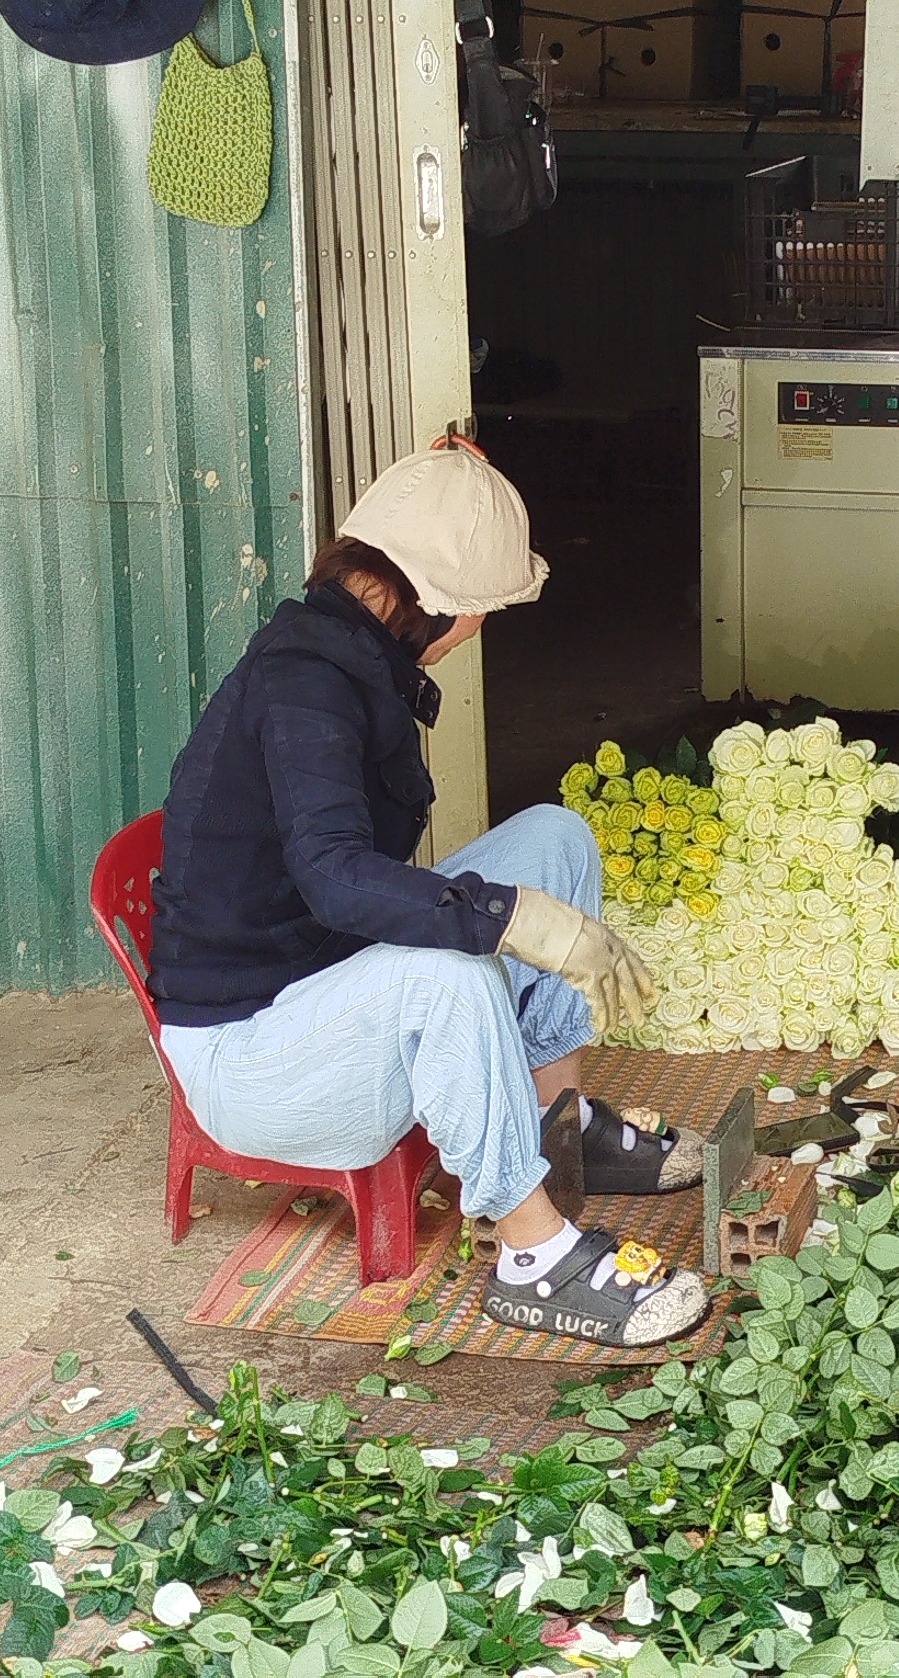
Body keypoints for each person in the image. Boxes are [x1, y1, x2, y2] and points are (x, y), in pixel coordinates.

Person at [149, 445, 708, 1348]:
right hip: (249, 1055)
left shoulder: (345, 655)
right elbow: (336, 876)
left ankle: (555, 1126)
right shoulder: (305, 684)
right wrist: (513, 920)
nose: (481, 625)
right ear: (440, 604)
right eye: (481, 607)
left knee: (554, 838)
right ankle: (535, 1258)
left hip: (319, 982)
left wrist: (519, 908)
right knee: (454, 971)